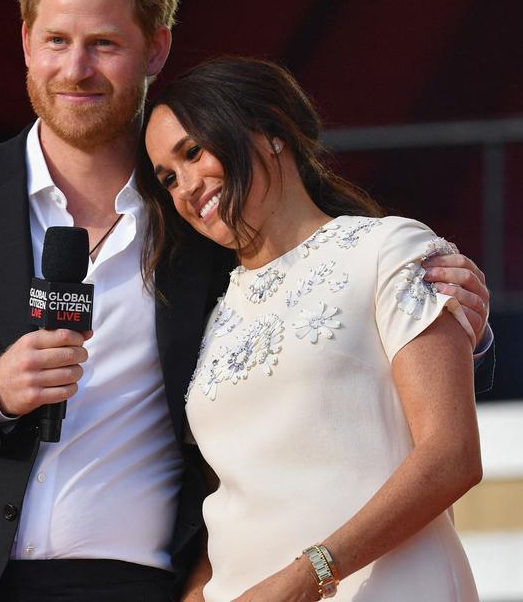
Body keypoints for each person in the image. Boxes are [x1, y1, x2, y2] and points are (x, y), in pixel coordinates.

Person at [0, 0, 491, 602]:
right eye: (57, 41)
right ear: (25, 42)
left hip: (135, 584)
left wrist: (459, 318)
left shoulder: (207, 216)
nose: (75, 69)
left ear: (155, 49)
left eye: (104, 44)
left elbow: (321, 308)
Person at [140, 57, 482, 601]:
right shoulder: (209, 320)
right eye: (167, 178)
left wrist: (310, 574)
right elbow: (229, 504)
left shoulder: (389, 250)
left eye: (192, 152)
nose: (183, 187)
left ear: (272, 132)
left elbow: (451, 458)